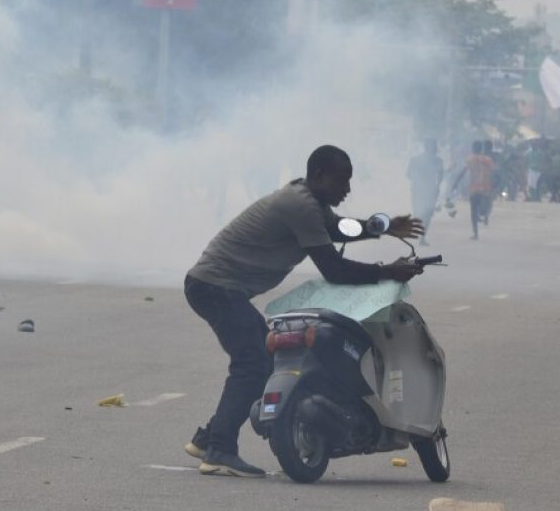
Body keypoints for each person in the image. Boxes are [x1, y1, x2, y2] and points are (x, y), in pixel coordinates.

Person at [183, 145, 424, 478]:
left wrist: (379, 227)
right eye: (342, 181)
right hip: (215, 287)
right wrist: (387, 271)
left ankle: (209, 438)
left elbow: (339, 229)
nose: (347, 190)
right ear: (320, 176)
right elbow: (334, 269)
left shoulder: (309, 201)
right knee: (254, 362)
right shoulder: (300, 206)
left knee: (258, 361)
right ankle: (220, 449)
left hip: (218, 287)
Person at [450, 140, 496, 240]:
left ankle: (476, 233)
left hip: (474, 188)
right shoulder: (488, 160)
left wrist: (455, 183)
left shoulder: (470, 159)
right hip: (486, 187)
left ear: (473, 148)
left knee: (473, 211)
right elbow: (494, 173)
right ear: (481, 149)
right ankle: (486, 216)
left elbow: (463, 172)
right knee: (486, 207)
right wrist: (496, 186)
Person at [406, 138, 444, 244]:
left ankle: (419, 235)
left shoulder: (415, 159)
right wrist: (435, 186)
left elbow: (408, 174)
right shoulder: (437, 160)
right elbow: (440, 177)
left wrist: (417, 181)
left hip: (419, 189)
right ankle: (421, 236)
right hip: (429, 190)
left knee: (421, 212)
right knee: (427, 214)